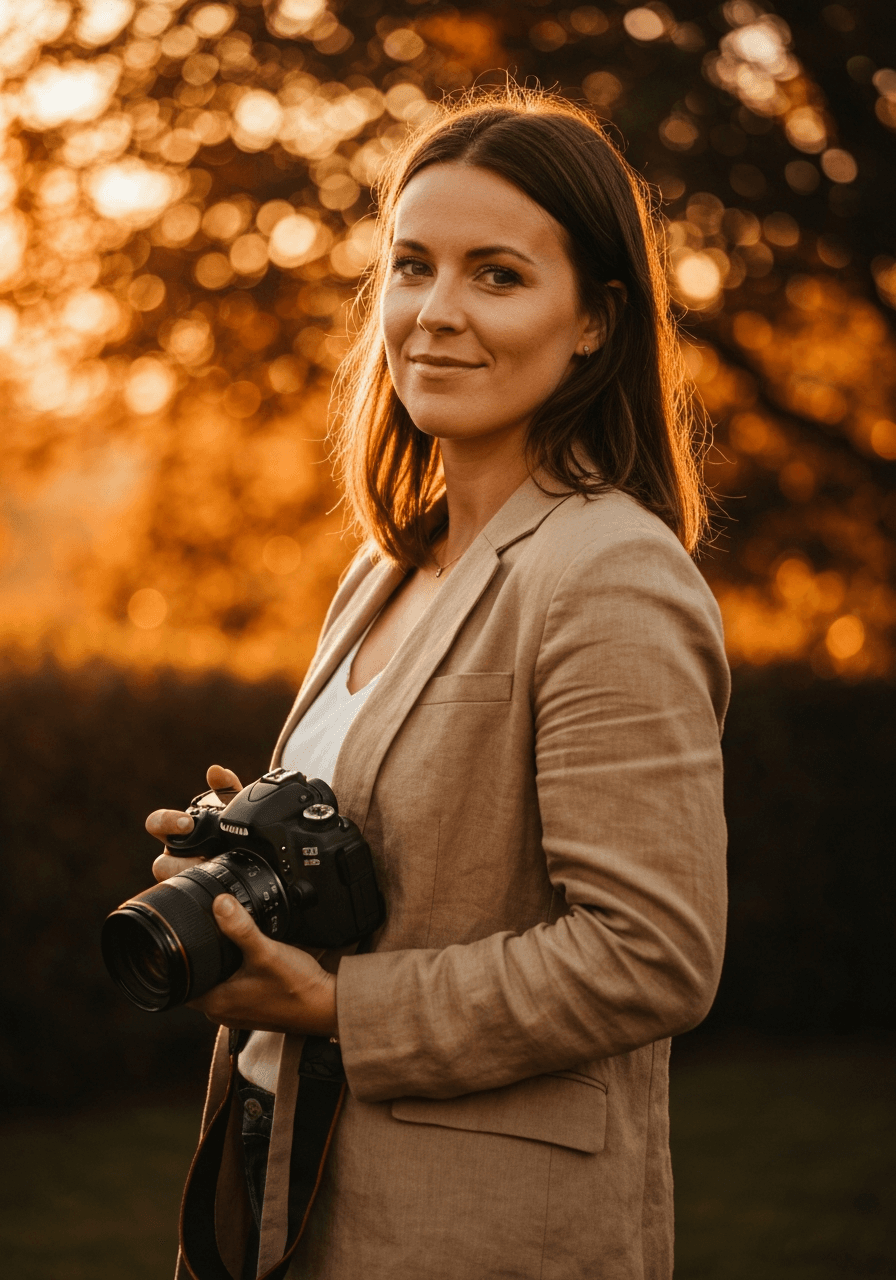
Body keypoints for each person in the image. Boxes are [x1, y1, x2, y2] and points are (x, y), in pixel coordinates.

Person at [148, 87, 729, 1280]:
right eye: (412, 266)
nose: (435, 313)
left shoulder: (607, 570)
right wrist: (244, 861)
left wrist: (340, 1004)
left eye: (497, 275)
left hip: (473, 1224)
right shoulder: (388, 564)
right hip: (283, 1180)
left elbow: (650, 951)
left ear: (594, 322)